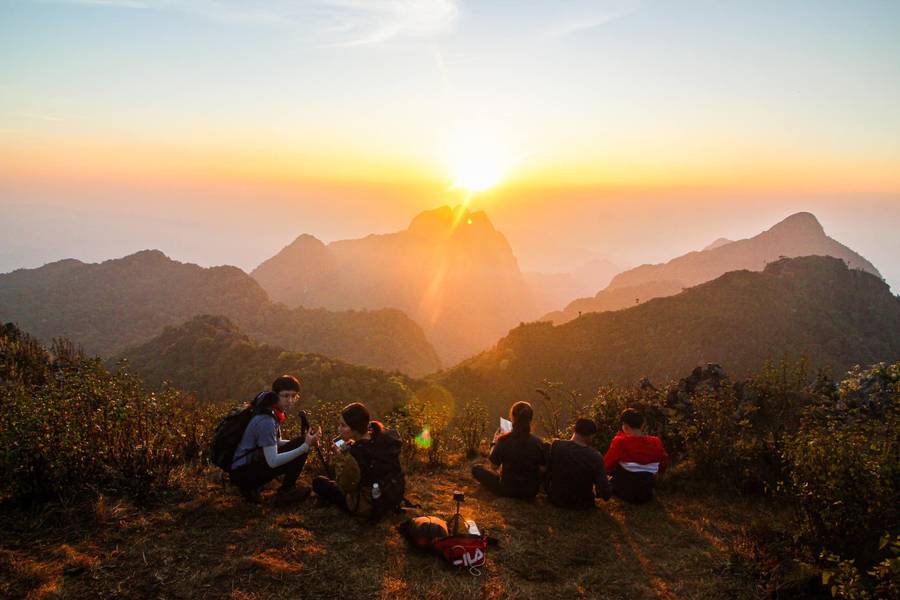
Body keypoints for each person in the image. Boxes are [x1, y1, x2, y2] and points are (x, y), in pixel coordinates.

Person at [230, 375, 321, 506]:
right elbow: (273, 462)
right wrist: (304, 446)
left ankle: (283, 489)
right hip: (243, 475)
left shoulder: (268, 411)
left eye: (293, 396)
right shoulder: (266, 421)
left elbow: (275, 443)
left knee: (301, 442)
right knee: (301, 445)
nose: (290, 400)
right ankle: (285, 493)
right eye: (285, 395)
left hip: (243, 469)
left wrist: (304, 442)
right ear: (275, 396)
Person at [312, 402, 405, 520]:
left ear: (356, 429)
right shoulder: (382, 438)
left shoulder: (355, 454)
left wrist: (342, 457)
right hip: (389, 497)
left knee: (318, 482)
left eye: (343, 425)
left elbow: (345, 487)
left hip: (367, 505)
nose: (339, 428)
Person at [471, 401, 545, 499]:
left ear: (513, 418)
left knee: (476, 469)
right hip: (530, 492)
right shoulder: (538, 442)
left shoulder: (504, 440)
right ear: (530, 419)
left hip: (506, 489)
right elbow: (542, 469)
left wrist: (494, 442)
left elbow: (493, 465)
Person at [603, 408, 668, 503]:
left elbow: (606, 465)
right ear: (642, 426)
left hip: (626, 493)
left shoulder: (620, 441)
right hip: (647, 493)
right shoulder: (655, 441)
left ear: (625, 426)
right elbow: (663, 460)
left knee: (617, 465)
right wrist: (660, 473)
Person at [545, 418, 612, 509]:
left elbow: (548, 470)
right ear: (591, 435)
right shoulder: (595, 457)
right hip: (582, 503)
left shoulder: (557, 445)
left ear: (574, 429)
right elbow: (606, 494)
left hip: (556, 498)